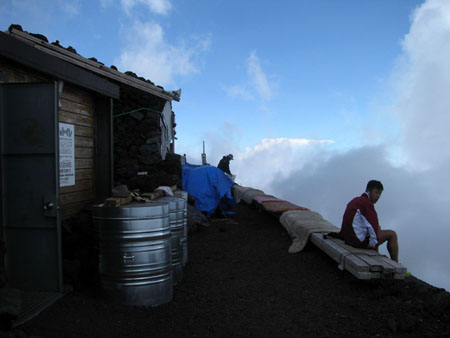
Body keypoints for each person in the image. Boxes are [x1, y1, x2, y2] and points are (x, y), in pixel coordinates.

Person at [338, 180, 399, 262]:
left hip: (348, 238)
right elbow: (372, 226)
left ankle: (376, 257)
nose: (378, 196)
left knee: (378, 228)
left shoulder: (356, 200)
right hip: (356, 241)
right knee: (392, 234)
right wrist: (372, 244)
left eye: (380, 194)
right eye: (376, 192)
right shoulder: (367, 204)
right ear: (368, 190)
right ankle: (396, 263)